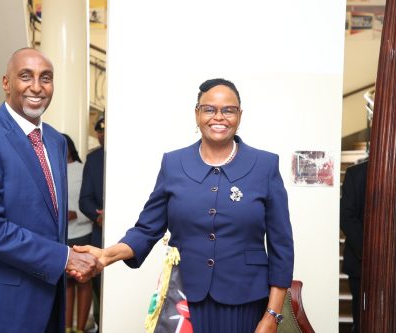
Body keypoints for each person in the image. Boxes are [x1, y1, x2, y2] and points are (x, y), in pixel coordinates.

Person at [76, 79, 294, 332]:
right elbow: (147, 229)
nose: (219, 117)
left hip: (245, 301)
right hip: (185, 300)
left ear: (240, 115)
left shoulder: (264, 165)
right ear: (197, 114)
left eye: (228, 110)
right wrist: (106, 255)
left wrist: (272, 315)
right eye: (209, 109)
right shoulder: (174, 163)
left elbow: (281, 246)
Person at [0, 48, 102, 333]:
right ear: (6, 82)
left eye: (46, 78)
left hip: (46, 296)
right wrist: (64, 257)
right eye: (26, 76)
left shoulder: (55, 140)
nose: (37, 87)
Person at [63, 134, 92, 333]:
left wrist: (76, 214)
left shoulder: (82, 170)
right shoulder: (51, 170)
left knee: (83, 280)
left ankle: (80, 328)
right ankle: (66, 327)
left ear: (70, 148)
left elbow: (90, 200)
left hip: (82, 231)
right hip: (60, 235)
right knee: (65, 282)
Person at [79, 116, 105, 332]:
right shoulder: (93, 159)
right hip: (99, 235)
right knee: (98, 285)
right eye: (100, 131)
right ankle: (99, 324)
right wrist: (98, 215)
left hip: (129, 234)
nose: (103, 134)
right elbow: (84, 199)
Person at [340, 160, 367, 333]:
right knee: (361, 320)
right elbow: (346, 217)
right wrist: (370, 251)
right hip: (360, 265)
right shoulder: (355, 173)